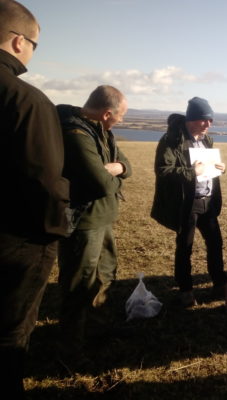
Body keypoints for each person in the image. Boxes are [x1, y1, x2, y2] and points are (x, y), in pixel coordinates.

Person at [0, 1, 70, 396]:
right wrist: (53, 232)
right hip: (16, 242)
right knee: (10, 334)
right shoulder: (27, 101)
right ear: (18, 41)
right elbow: (45, 180)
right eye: (35, 45)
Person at [56, 85, 132, 365]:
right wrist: (110, 173)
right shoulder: (75, 134)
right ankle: (71, 351)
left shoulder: (103, 131)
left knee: (104, 277)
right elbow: (99, 182)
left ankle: (97, 331)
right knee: (78, 285)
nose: (121, 121)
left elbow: (126, 165)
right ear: (107, 113)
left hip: (104, 218)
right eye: (121, 116)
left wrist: (117, 168)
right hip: (84, 222)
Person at [151, 97, 227, 307]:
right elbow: (163, 170)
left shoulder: (206, 140)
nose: (208, 125)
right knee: (185, 247)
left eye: (211, 120)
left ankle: (220, 284)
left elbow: (208, 169)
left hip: (208, 202)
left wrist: (220, 168)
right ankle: (185, 290)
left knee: (215, 244)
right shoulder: (171, 140)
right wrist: (190, 172)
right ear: (192, 119)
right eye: (204, 120)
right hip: (187, 203)